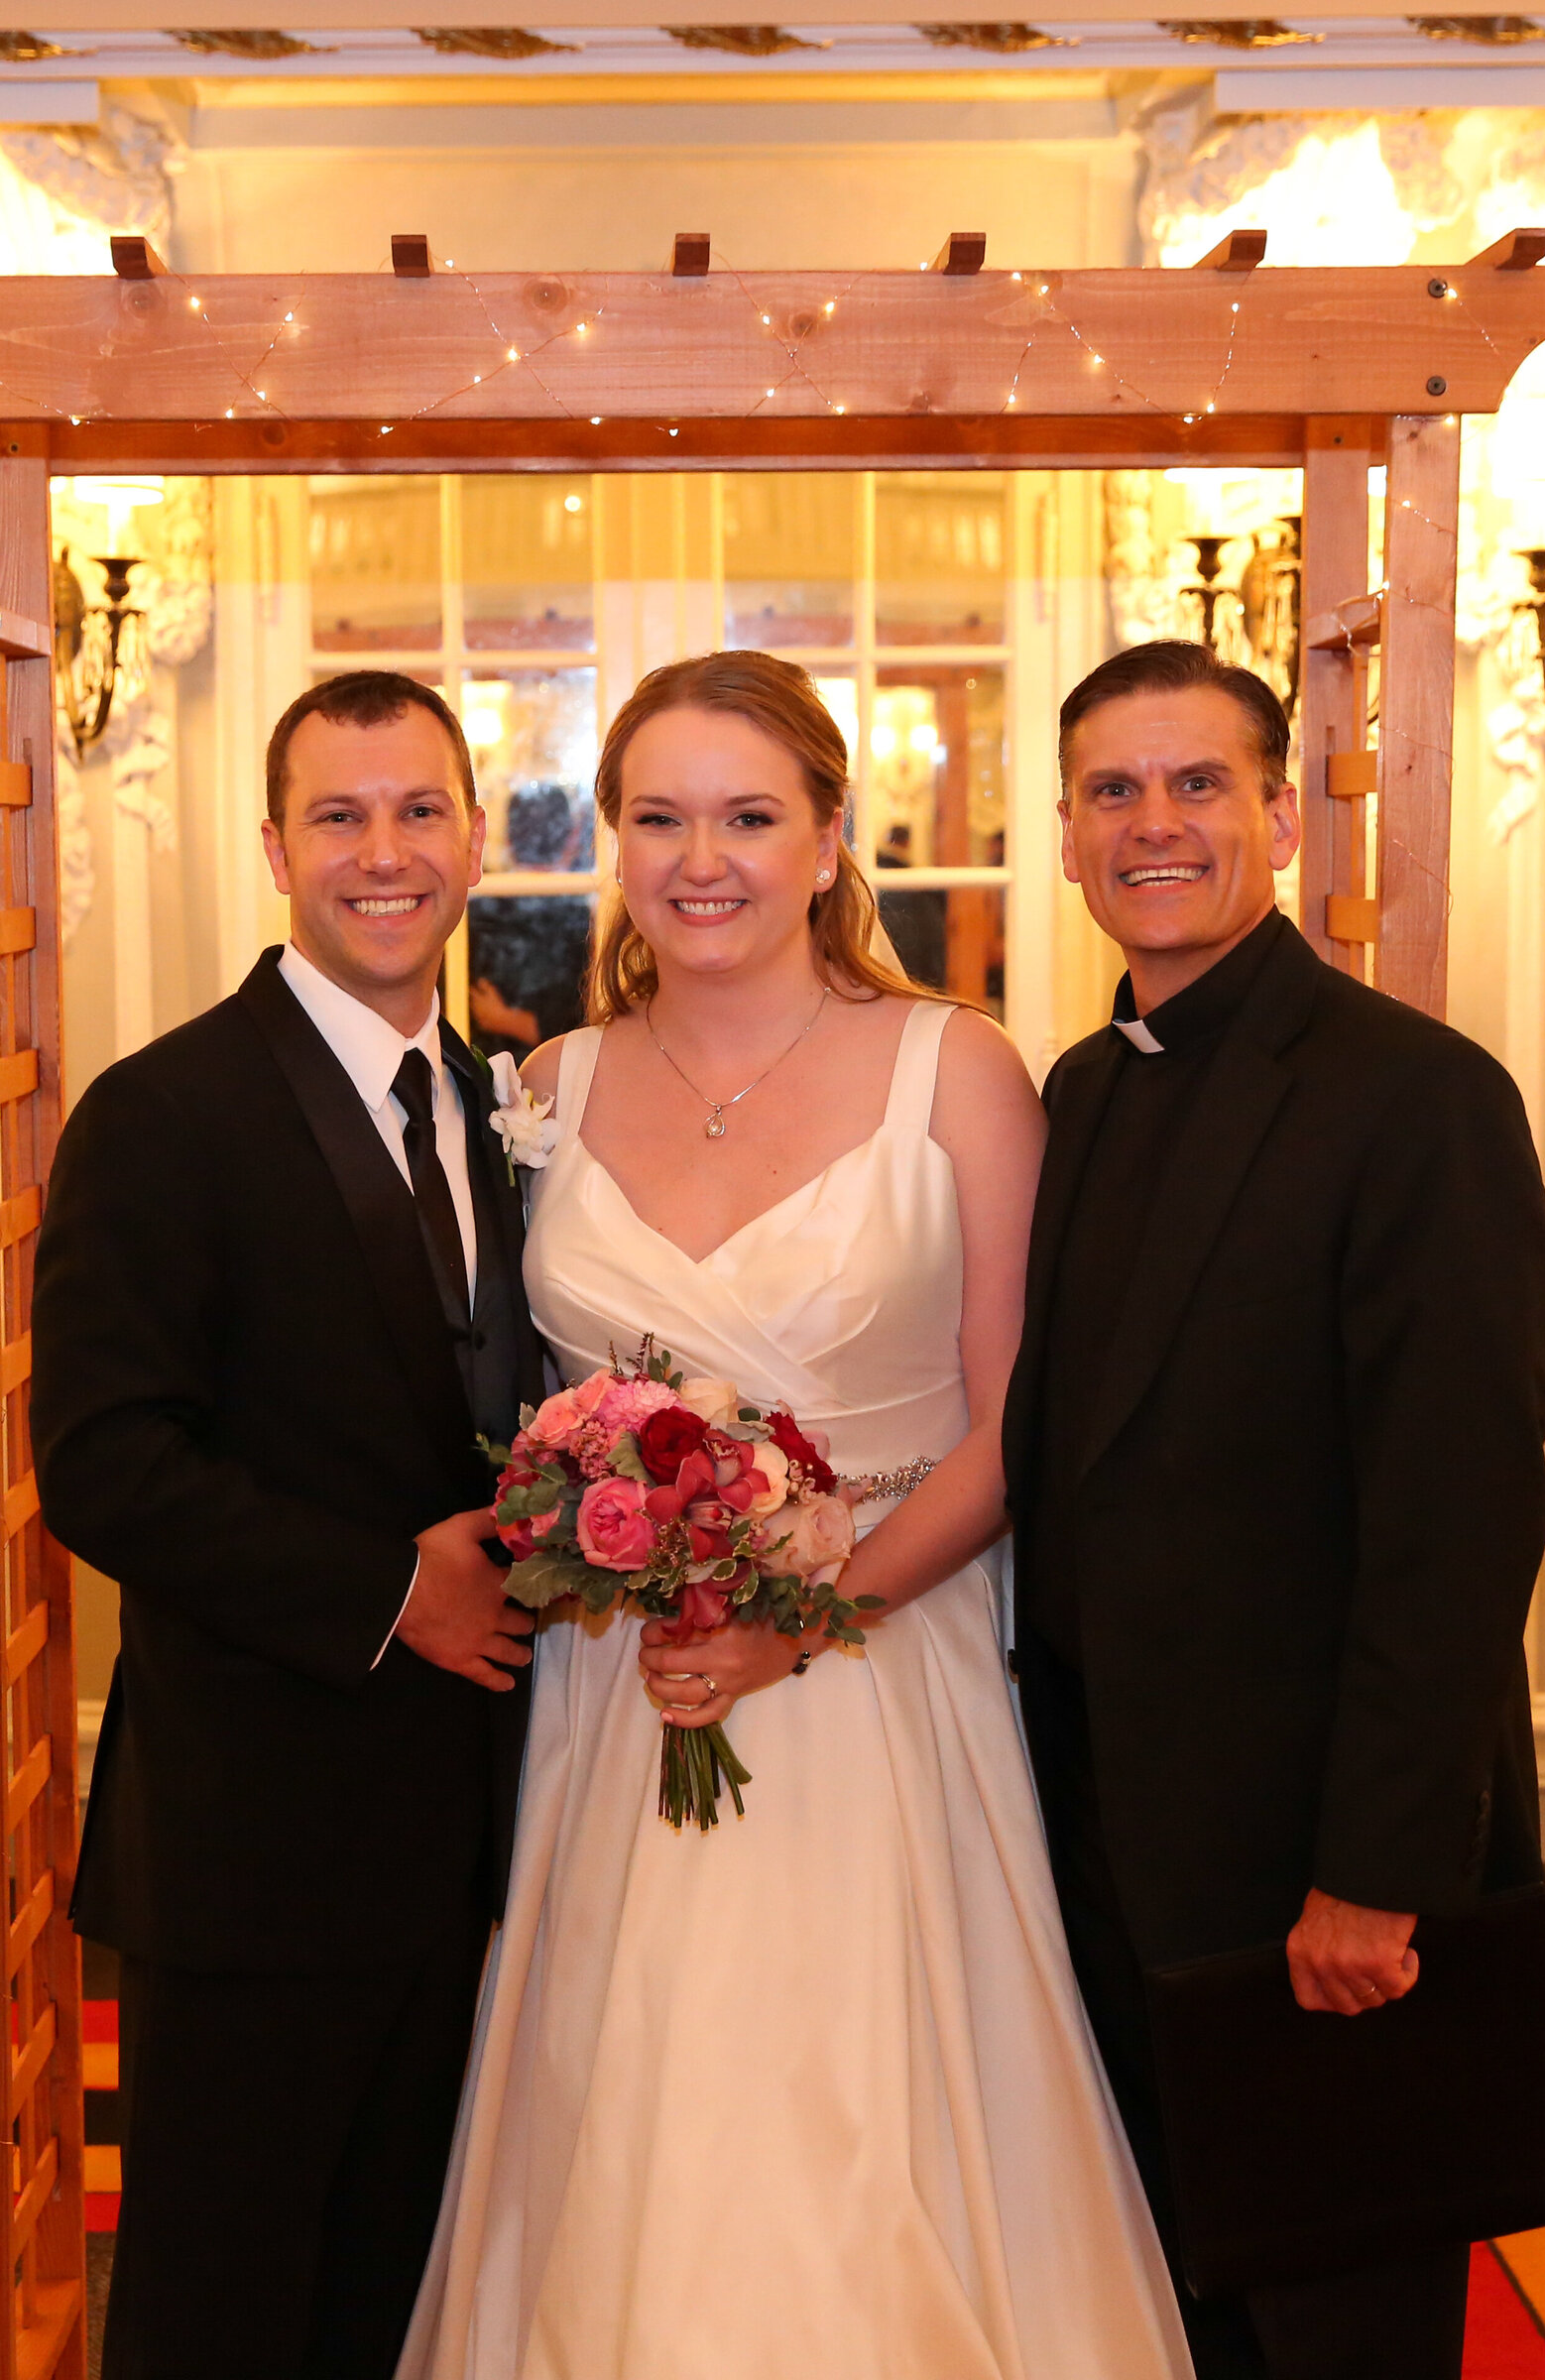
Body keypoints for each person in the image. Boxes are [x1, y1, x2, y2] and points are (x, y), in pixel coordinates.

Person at [398, 651, 1193, 2380]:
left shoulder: (955, 1073)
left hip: (878, 1685)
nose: (707, 858)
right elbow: (525, 1406)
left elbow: (1014, 1428)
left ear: (833, 838)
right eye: (662, 817)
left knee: (856, 2132)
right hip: (625, 1696)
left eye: (752, 816)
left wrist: (798, 1624)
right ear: (611, 840)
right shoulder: (553, 1088)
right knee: (627, 2122)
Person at [1003, 639, 1545, 2380]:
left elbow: (1456, 1520)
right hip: (1108, 1839)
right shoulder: (1081, 1092)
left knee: (1342, 2327)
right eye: (1113, 791)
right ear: (1071, 833)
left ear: (1276, 819)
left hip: (1318, 1876)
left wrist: (1376, 1877)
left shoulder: (1417, 1095)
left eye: (1195, 785)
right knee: (1172, 2307)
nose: (1152, 824)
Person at [32, 672, 544, 2380]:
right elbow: (103, 1459)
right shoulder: (161, 1114)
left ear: (474, 836)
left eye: (419, 812)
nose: (383, 853)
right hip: (254, 1850)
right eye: (340, 815)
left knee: (399, 2304)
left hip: (476, 1840)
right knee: (219, 2311)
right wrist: (392, 1589)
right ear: (274, 847)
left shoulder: (509, 1108)